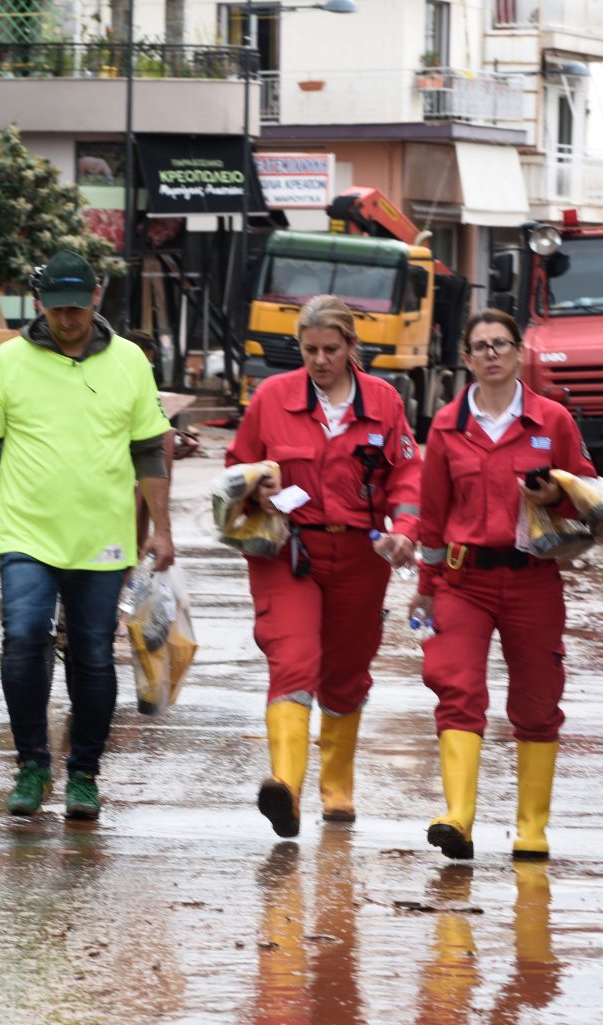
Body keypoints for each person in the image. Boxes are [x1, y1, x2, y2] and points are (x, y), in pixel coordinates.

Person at [0, 249, 174, 821]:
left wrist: (162, 530)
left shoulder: (130, 362)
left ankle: (83, 774)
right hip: (28, 534)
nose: (68, 318)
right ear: (41, 304)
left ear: (95, 298)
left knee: (91, 655)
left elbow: (148, 452)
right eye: (57, 308)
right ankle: (33, 765)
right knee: (22, 641)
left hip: (102, 538)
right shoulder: (10, 362)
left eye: (77, 306)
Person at [227, 294, 421, 838]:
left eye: (330, 349)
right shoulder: (271, 398)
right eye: (309, 349)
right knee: (293, 659)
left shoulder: (384, 402)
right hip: (287, 550)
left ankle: (337, 787)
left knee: (346, 671)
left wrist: (405, 530)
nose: (319, 360)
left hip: (361, 555)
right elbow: (235, 466)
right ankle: (284, 789)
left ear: (352, 348)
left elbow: (408, 477)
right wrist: (253, 487)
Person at [409, 308, 595, 861]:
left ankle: (531, 829)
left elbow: (587, 495)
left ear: (519, 353)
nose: (491, 353)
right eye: (480, 346)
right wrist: (427, 584)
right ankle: (458, 819)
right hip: (463, 582)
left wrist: (555, 497)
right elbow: (433, 517)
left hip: (533, 578)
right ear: (466, 359)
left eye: (501, 344)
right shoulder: (445, 426)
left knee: (537, 703)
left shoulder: (553, 421)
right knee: (457, 690)